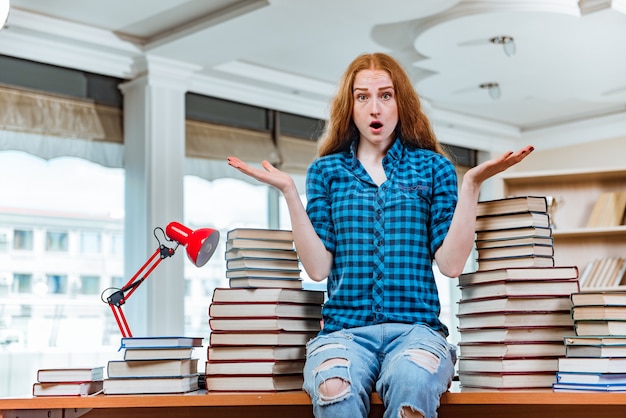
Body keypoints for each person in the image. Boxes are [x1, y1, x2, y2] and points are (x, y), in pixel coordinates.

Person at [228, 52, 533, 418]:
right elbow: (318, 269)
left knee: (412, 384)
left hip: (416, 332)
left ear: (400, 102)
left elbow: (451, 265)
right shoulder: (326, 172)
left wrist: (471, 185)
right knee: (333, 388)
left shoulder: (434, 168)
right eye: (363, 97)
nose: (375, 108)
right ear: (350, 106)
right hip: (344, 333)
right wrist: (291, 194)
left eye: (385, 96)